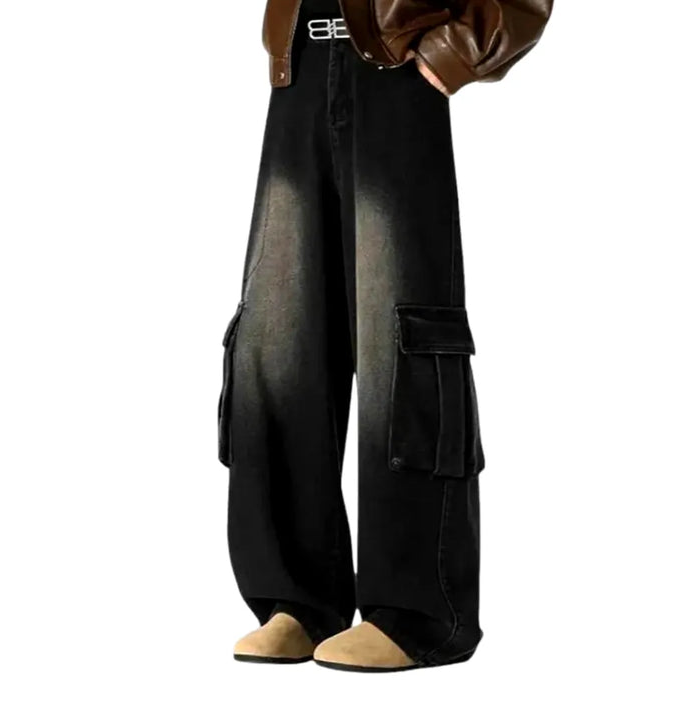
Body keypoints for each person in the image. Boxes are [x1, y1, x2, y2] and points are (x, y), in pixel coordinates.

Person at [217, 0, 553, 672]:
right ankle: (297, 599)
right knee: (277, 338)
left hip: (397, 72)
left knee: (401, 333)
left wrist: (451, 54)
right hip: (297, 72)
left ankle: (416, 613)